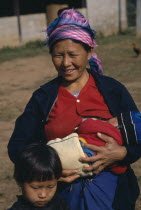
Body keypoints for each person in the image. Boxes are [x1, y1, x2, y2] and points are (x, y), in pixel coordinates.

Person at [8, 8, 141, 210]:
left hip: (114, 196)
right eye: (58, 55)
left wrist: (121, 154)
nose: (66, 63)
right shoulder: (43, 98)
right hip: (63, 200)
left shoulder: (112, 90)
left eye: (73, 54)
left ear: (89, 52)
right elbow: (17, 146)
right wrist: (49, 170)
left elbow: (138, 132)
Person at [8, 144, 69, 210]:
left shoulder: (60, 204)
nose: (43, 195)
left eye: (50, 186)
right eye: (35, 187)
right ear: (19, 181)